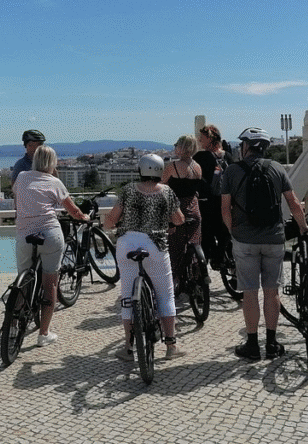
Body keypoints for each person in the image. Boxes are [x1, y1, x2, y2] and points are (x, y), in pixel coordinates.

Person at [221, 127, 308, 360]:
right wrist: (303, 227)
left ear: (245, 147)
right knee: (272, 291)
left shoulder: (232, 171)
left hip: (244, 240)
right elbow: (293, 203)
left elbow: (225, 209)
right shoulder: (277, 168)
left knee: (250, 292)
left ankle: (252, 345)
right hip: (274, 238)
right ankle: (272, 344)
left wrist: (234, 232)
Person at [104, 153, 187, 361]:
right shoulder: (167, 192)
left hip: (127, 245)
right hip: (155, 246)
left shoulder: (129, 190)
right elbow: (178, 219)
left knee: (127, 296)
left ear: (140, 170)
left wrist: (108, 225)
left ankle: (128, 348)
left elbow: (112, 220)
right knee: (165, 296)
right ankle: (171, 346)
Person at [12, 145, 90, 347]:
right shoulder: (55, 182)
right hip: (50, 234)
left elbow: (19, 197)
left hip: (24, 234)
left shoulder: (21, 177)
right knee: (50, 283)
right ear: (53, 163)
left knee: (22, 282)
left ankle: (12, 323)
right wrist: (85, 217)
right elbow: (74, 211)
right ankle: (43, 333)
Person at [160, 134, 205, 291]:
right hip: (194, 210)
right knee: (195, 244)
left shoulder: (173, 167)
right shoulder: (198, 167)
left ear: (182, 147)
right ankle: (198, 277)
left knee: (175, 248)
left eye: (176, 145)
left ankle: (175, 281)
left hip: (176, 211)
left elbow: (161, 187)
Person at [194, 124, 232, 269]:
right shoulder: (227, 156)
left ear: (209, 138)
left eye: (201, 137)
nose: (199, 140)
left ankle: (204, 269)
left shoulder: (201, 157)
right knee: (224, 231)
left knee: (206, 234)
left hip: (207, 202)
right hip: (226, 200)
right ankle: (221, 257)